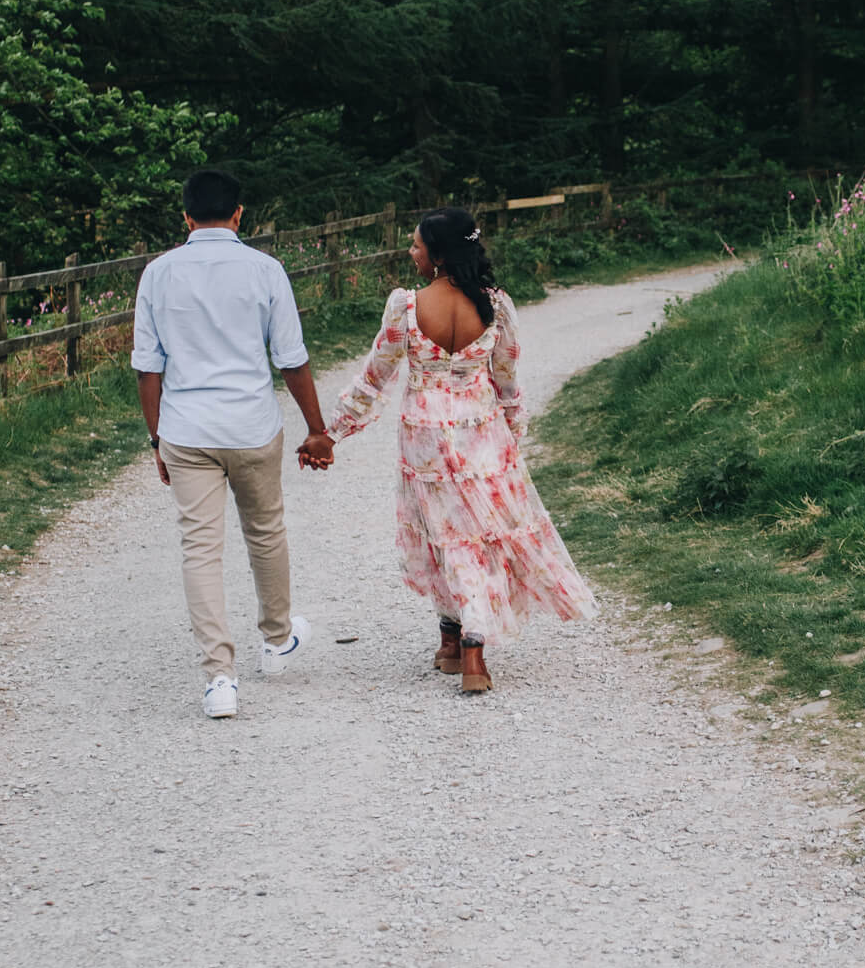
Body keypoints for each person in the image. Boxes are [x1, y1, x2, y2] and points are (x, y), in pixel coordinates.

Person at [327, 206, 596, 693]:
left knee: (441, 533)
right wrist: (512, 437)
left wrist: (332, 432)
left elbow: (376, 376)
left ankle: (462, 647)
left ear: (438, 254)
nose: (410, 253)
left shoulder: (406, 307)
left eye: (416, 246)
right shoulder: (494, 304)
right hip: (482, 433)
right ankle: (462, 648)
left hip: (425, 437)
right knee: (476, 537)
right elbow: (509, 383)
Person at [131, 168, 335, 719]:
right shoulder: (266, 270)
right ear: (240, 214)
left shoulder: (157, 274)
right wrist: (316, 428)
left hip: (187, 429)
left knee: (200, 548)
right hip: (250, 426)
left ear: (186, 217)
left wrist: (156, 439)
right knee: (265, 531)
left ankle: (219, 679)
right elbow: (290, 357)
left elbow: (148, 368)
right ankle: (275, 640)